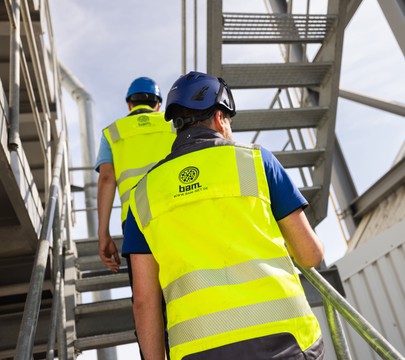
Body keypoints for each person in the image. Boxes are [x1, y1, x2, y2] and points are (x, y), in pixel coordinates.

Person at [123, 71, 325, 360]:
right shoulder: (257, 160)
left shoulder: (141, 195)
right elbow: (309, 255)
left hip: (197, 350)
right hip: (286, 341)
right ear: (220, 118)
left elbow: (144, 301)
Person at [96, 76, 176, 272]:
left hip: (135, 218)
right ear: (158, 105)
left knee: (146, 295)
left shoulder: (112, 133)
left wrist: (103, 233)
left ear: (129, 104)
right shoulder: (174, 124)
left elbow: (106, 179)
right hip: (175, 209)